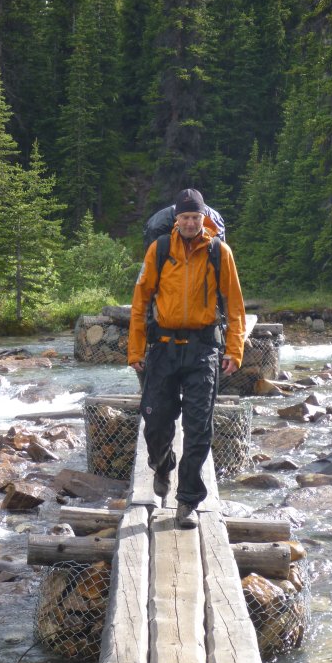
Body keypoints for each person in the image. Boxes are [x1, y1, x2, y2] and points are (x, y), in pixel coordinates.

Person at [128, 188, 246, 528]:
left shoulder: (218, 252)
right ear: (176, 220)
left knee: (198, 428)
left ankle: (188, 502)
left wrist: (234, 349)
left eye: (196, 217)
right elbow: (140, 303)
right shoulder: (160, 250)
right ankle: (162, 464)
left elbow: (235, 307)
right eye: (185, 217)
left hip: (203, 348)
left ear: (203, 218)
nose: (191, 222)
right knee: (156, 423)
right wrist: (135, 350)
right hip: (163, 348)